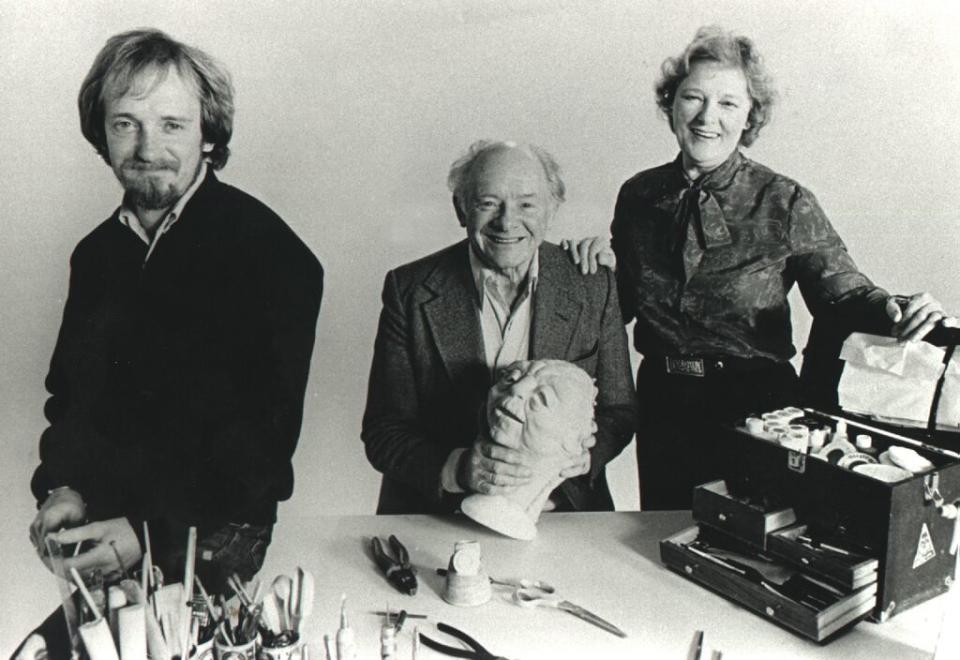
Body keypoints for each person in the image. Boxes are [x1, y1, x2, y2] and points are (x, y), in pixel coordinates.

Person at [21, 28, 322, 656]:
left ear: (209, 134)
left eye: (172, 126)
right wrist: (62, 486)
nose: (147, 147)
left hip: (212, 537)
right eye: (126, 123)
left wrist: (147, 531)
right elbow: (71, 399)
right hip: (108, 532)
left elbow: (258, 449)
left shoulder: (271, 254)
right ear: (100, 133)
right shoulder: (97, 255)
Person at [568, 26, 956, 511]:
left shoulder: (785, 200)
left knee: (753, 549)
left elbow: (844, 294)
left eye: (728, 103)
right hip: (664, 402)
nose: (708, 117)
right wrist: (591, 274)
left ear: (751, 114)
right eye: (693, 97)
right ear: (672, 105)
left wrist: (898, 308)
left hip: (758, 411)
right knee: (663, 546)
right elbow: (622, 301)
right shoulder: (638, 196)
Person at [362, 140, 637, 515]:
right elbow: (383, 429)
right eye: (488, 203)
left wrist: (586, 456)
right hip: (437, 512)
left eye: (526, 204)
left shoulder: (592, 283)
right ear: (461, 209)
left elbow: (619, 410)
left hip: (564, 512)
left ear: (551, 208)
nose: (507, 222)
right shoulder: (409, 290)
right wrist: (457, 470)